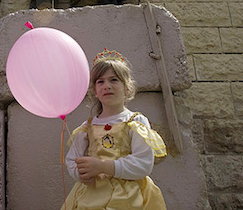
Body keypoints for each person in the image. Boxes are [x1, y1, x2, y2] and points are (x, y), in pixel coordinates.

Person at [61, 49, 167, 210]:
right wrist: (81, 173)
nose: (107, 86)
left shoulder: (135, 122)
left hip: (128, 197)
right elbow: (72, 160)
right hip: (91, 195)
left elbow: (143, 163)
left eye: (114, 80)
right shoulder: (86, 128)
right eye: (100, 81)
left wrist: (103, 166)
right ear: (95, 92)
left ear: (127, 88)